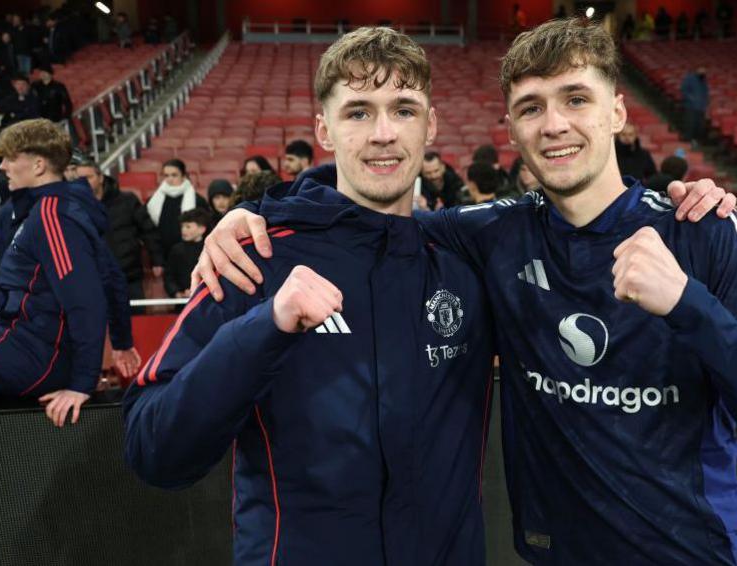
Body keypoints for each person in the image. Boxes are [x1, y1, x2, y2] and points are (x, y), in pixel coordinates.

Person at [199, 19, 737, 566]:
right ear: (512, 128)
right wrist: (253, 210)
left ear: (617, 112)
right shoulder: (494, 232)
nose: (555, 124)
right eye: (531, 107)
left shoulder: (706, 228)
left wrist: (685, 302)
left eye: (576, 99)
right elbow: (364, 218)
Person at [124, 27, 496, 565]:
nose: (384, 133)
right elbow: (152, 451)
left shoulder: (467, 260)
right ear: (325, 129)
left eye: (405, 110)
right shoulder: (254, 258)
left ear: (431, 124)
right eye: (358, 112)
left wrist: (666, 216)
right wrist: (264, 327)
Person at [0, 119, 139, 425]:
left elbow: (86, 301)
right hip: (21, 344)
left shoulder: (53, 215)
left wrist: (82, 383)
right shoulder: (43, 210)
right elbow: (111, 277)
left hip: (37, 356)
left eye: (10, 158)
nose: (2, 167)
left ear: (38, 165)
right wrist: (121, 341)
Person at [75, 157, 164, 302]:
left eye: (88, 177)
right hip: (94, 278)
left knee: (137, 321)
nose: (84, 182)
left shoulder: (127, 200)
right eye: (79, 179)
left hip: (129, 275)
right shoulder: (75, 207)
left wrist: (157, 260)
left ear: (101, 177)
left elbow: (148, 231)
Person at [145, 158, 208, 254]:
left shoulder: (197, 200)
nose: (170, 179)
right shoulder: (155, 200)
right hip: (163, 252)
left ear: (183, 176)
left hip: (190, 253)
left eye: (174, 175)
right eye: (166, 175)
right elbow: (152, 231)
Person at [164, 208, 210, 298]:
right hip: (182, 300)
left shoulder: (209, 248)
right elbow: (169, 276)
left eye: (188, 226)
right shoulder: (176, 250)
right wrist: (177, 292)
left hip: (206, 297)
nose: (183, 230)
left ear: (202, 229)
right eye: (182, 226)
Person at [680, 67, 708, 144]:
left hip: (701, 107)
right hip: (690, 106)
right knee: (690, 124)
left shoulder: (704, 80)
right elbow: (684, 90)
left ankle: (696, 141)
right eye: (701, 69)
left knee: (699, 125)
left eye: (704, 70)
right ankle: (687, 141)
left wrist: (705, 105)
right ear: (697, 70)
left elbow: (705, 94)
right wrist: (691, 98)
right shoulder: (689, 78)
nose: (703, 71)